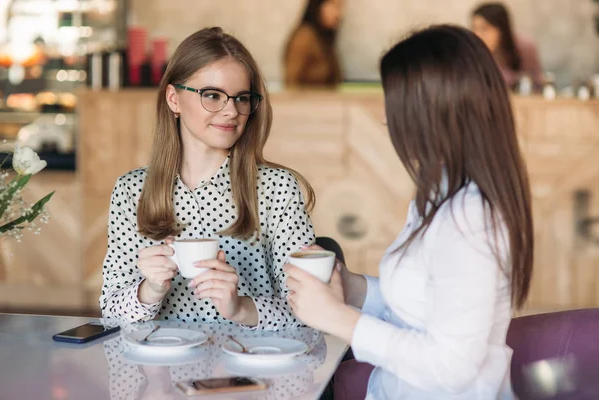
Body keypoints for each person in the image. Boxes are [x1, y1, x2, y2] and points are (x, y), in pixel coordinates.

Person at [284, 25, 533, 399]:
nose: (386, 119)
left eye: (393, 102)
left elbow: (452, 367)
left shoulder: (472, 221)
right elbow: (423, 305)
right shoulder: (442, 191)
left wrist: (337, 318)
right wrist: (351, 289)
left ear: (433, 110)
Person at [99, 27, 316, 330]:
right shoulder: (131, 190)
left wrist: (239, 307)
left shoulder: (278, 188)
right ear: (173, 99)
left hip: (251, 372)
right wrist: (150, 290)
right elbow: (111, 312)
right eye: (212, 95)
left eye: (242, 98)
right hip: (162, 373)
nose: (232, 111)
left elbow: (313, 311)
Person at [471, 2, 544, 91]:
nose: (478, 34)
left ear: (501, 29)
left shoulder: (524, 47)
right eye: (474, 28)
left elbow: (536, 83)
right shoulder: (473, 50)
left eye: (485, 28)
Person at [283, 0, 343, 88]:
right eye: (333, 6)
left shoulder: (323, 38)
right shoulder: (304, 37)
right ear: (318, 6)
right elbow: (291, 82)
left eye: (340, 8)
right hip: (306, 101)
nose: (338, 14)